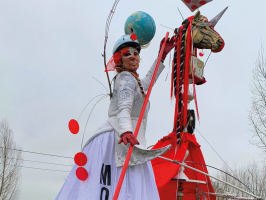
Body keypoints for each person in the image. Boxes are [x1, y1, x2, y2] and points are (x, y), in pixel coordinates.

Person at [55, 34, 176, 200]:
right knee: (116, 183)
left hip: (130, 138)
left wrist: (162, 56)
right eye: (127, 54)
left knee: (127, 183)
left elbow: (148, 80)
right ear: (120, 59)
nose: (133, 56)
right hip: (120, 138)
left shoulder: (134, 80)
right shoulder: (125, 78)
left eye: (136, 53)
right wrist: (126, 131)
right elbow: (123, 108)